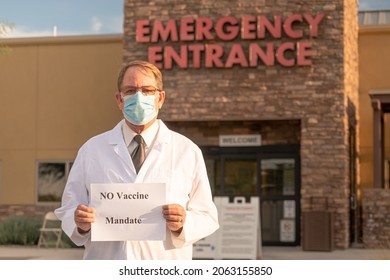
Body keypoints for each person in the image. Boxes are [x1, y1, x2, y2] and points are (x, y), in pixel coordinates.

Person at [55, 60, 219, 260]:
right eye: (130, 90)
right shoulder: (91, 150)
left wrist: (183, 223)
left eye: (148, 90)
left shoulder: (187, 151)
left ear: (160, 98)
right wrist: (79, 223)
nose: (139, 97)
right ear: (119, 99)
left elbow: (207, 216)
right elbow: (68, 208)